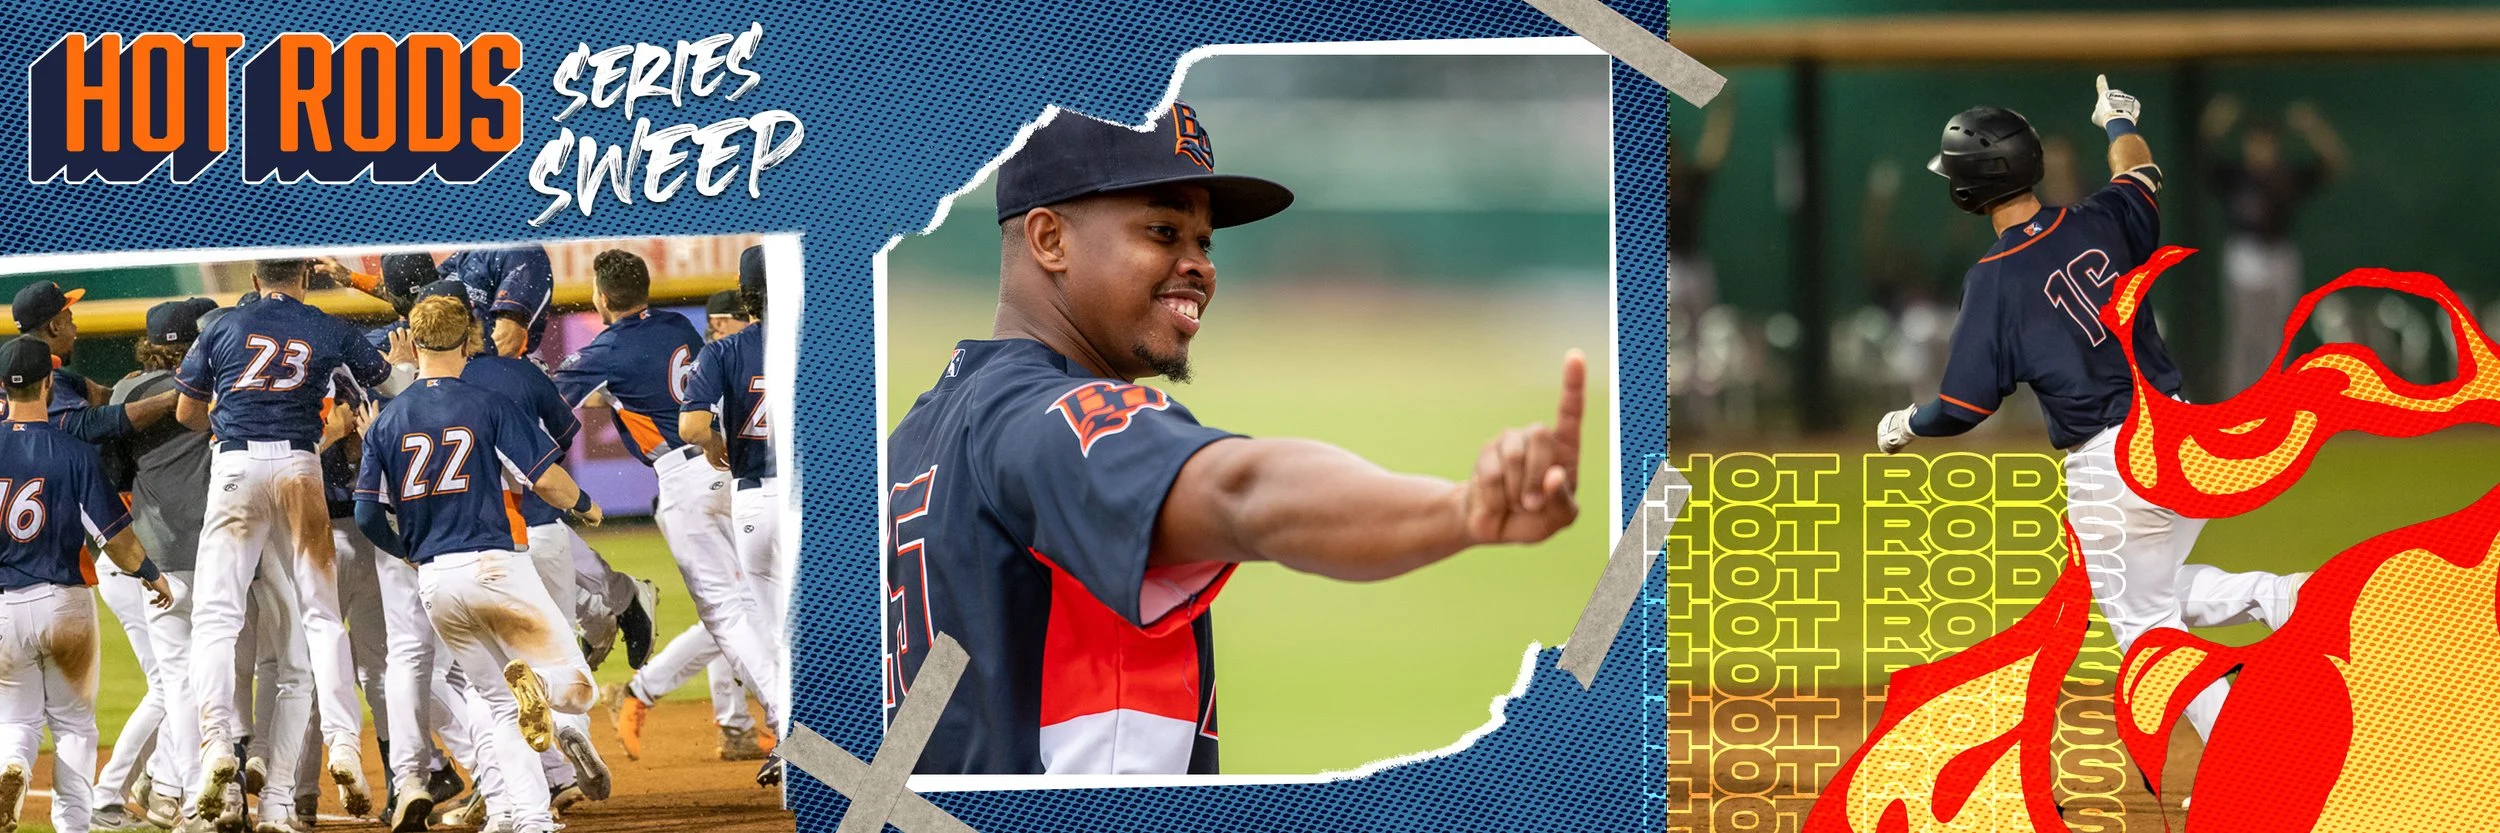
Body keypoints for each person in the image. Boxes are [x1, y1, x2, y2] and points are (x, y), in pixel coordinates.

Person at [883, 103, 1586, 776]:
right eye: (1163, 231)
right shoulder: (1054, 419)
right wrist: (1460, 511)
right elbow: (1241, 492)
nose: (1200, 265)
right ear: (1049, 239)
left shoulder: (912, 438)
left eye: (1205, 241)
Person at [1876, 76, 2308, 788]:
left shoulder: (1993, 279)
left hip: (2113, 464)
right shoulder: (2102, 217)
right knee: (2153, 590)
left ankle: (2245, 752)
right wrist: (2117, 119)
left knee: (2144, 627)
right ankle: (2282, 595)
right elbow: (2138, 170)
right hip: (2182, 430)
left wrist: (1906, 423)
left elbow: (1962, 404)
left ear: (1966, 190)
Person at [353, 294, 605, 833]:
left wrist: (409, 556)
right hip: (495, 566)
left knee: (494, 705)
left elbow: (368, 515)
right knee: (578, 687)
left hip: (437, 581)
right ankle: (540, 692)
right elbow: (546, 479)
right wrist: (585, 505)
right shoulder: (488, 402)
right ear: (469, 338)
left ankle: (521, 818)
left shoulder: (386, 420)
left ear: (414, 343)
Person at [172, 259, 409, 824]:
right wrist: (398, 364)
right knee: (322, 618)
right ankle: (345, 744)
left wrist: (228, 404)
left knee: (216, 620)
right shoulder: (327, 326)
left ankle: (214, 747)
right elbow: (383, 381)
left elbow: (186, 413)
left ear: (256, 281)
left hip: (235, 469)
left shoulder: (221, 327)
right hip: (302, 468)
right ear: (304, 279)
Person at [553, 250, 787, 766]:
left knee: (728, 613)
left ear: (601, 295)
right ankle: (784, 716)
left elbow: (547, 402)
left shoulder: (607, 347)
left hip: (684, 474)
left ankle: (783, 718)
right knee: (761, 606)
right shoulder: (680, 323)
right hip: (728, 463)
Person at [0, 336, 173, 833]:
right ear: (49, 383)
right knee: (75, 726)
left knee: (17, 723)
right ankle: (73, 827)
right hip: (63, 603)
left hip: (4, 607)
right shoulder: (73, 451)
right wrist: (152, 576)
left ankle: (13, 765)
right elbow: (115, 538)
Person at [2202, 96, 2346, 396]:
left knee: (2279, 336)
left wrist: (2313, 128)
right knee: (2243, 336)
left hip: (2280, 254)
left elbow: (2333, 164)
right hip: (2244, 253)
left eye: (2266, 142)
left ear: (2275, 145)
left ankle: (2275, 400)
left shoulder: (2287, 175)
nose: (2261, 148)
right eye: (2255, 142)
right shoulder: (2236, 175)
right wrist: (2215, 123)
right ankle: (2236, 403)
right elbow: (2200, 155)